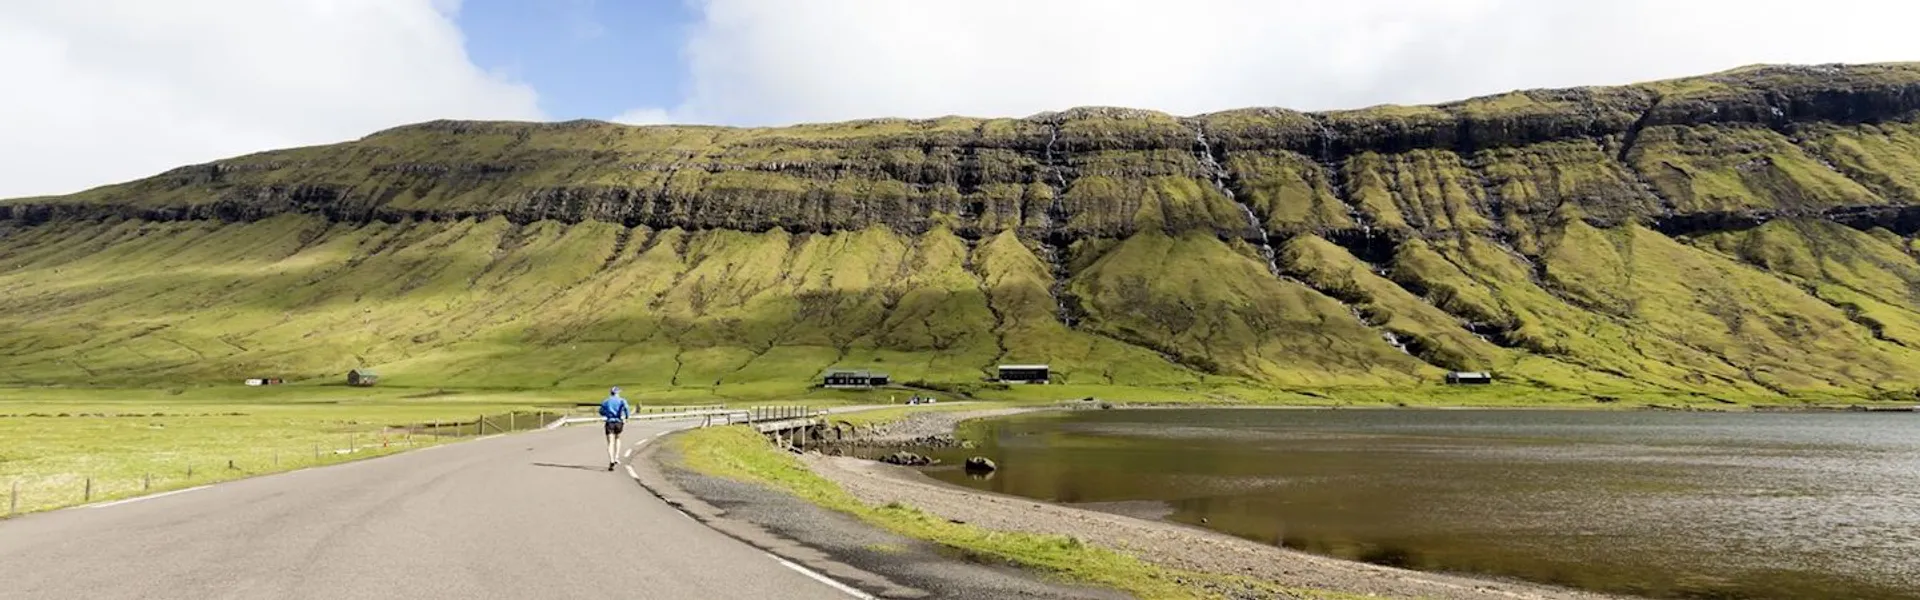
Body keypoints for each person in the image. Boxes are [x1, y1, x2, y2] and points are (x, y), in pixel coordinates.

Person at [599, 386, 631, 471]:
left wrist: (607, 413)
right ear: (618, 393)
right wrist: (627, 417)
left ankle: (611, 460)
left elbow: (601, 411)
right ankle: (616, 456)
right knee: (617, 438)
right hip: (619, 422)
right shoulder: (622, 400)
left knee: (610, 442)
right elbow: (627, 408)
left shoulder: (606, 401)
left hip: (609, 422)